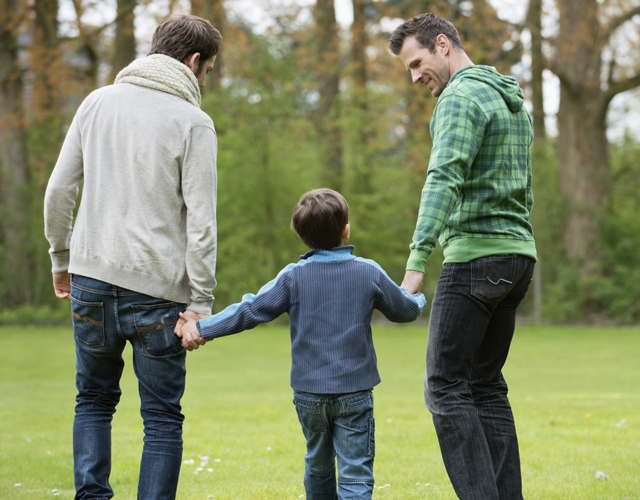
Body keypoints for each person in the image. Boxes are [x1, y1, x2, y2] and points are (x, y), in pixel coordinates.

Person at [43, 15, 222, 500]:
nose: (203, 82)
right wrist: (201, 302)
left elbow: (59, 190)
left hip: (91, 280)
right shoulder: (193, 122)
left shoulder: (97, 102)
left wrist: (62, 258)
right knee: (162, 416)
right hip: (159, 292)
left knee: (93, 401)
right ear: (194, 61)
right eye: (206, 72)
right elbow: (201, 223)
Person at [177, 188, 427, 500]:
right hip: (355, 393)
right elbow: (404, 311)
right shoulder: (368, 271)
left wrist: (202, 327)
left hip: (309, 395)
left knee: (318, 467)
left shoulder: (293, 277)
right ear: (345, 230)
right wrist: (417, 297)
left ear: (301, 236)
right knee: (355, 474)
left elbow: (250, 310)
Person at [388, 13, 537, 500]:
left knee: (445, 388)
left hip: (474, 260)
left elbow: (443, 178)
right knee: (485, 386)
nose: (415, 78)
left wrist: (415, 264)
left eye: (417, 63)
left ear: (443, 44)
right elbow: (523, 187)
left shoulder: (460, 98)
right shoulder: (512, 100)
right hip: (517, 258)